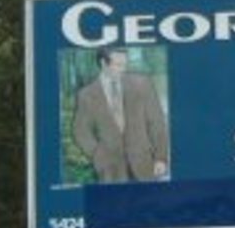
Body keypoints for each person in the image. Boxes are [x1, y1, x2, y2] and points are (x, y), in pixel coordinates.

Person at [72, 46, 169, 182]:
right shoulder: (86, 95)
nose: (123, 69)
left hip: (145, 165)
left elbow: (156, 122)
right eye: (118, 65)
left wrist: (161, 157)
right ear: (103, 63)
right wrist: (97, 154)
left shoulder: (142, 84)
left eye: (125, 64)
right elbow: (80, 131)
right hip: (110, 170)